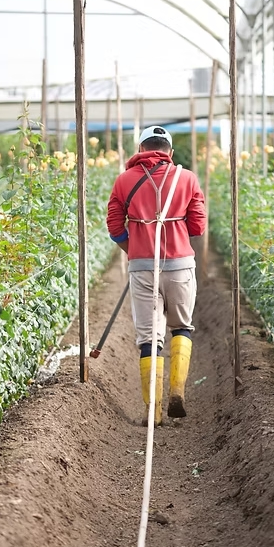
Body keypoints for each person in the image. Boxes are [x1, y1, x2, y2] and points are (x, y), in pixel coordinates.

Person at [107, 125, 207, 426]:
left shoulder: (124, 180)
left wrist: (134, 247)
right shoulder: (187, 178)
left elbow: (114, 226)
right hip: (180, 266)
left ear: (140, 150)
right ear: (170, 152)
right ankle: (177, 390)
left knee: (150, 338)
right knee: (182, 327)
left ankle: (154, 410)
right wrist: (175, 234)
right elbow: (198, 226)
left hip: (142, 267)